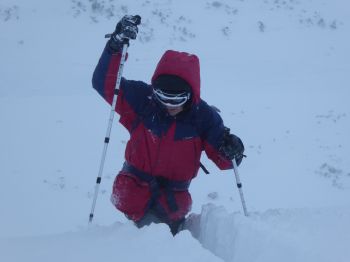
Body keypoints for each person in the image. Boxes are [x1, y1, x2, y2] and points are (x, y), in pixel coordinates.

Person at [92, 15, 245, 235]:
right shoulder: (142, 102)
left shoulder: (203, 117)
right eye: (161, 97)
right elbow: (103, 83)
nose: (167, 106)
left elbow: (226, 161)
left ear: (191, 96)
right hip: (133, 199)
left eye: (176, 100)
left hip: (171, 207)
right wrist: (114, 47)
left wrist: (233, 150)